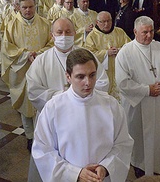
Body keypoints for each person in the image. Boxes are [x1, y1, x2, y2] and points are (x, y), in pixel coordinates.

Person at [26, 17, 109, 182]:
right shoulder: (41, 61)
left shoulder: (88, 56)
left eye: (68, 32)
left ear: (75, 33)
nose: (64, 35)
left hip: (88, 118)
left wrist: (80, 95)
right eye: (59, 32)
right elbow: (34, 91)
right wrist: (64, 97)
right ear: (52, 35)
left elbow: (103, 82)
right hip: (54, 123)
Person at [32, 48, 134, 182]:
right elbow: (43, 151)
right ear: (68, 76)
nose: (88, 82)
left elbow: (123, 143)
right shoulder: (53, 108)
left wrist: (106, 166)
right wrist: (75, 174)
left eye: (92, 75)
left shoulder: (111, 105)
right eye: (80, 76)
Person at [116, 16, 160, 177]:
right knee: (138, 138)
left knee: (156, 136)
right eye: (144, 32)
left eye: (151, 31)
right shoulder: (125, 52)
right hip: (137, 105)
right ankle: (138, 167)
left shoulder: (159, 47)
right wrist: (147, 90)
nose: (149, 35)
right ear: (135, 32)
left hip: (157, 102)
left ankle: (155, 166)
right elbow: (122, 82)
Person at [0, 0, 52, 151]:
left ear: (35, 6)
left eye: (31, 7)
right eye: (24, 7)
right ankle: (30, 136)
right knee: (26, 104)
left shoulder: (45, 23)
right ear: (18, 8)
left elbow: (52, 42)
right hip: (21, 70)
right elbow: (7, 48)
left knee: (44, 103)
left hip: (42, 69)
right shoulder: (11, 25)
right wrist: (25, 54)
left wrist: (39, 53)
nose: (28, 10)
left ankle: (45, 136)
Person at [85, 11, 130, 99]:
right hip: (103, 74)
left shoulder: (119, 32)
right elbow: (89, 56)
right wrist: (106, 53)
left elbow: (129, 48)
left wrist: (119, 50)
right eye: (103, 21)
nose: (107, 24)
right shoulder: (92, 36)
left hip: (120, 71)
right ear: (97, 22)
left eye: (109, 21)